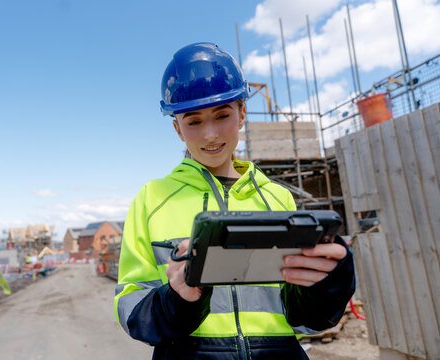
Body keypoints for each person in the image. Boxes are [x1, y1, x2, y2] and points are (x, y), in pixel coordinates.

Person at [114, 42, 355, 359]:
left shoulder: (277, 197)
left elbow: (307, 319)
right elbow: (132, 309)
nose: (210, 133)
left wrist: (330, 283)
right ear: (177, 128)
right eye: (194, 121)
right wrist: (177, 298)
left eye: (222, 114)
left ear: (242, 113)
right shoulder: (152, 198)